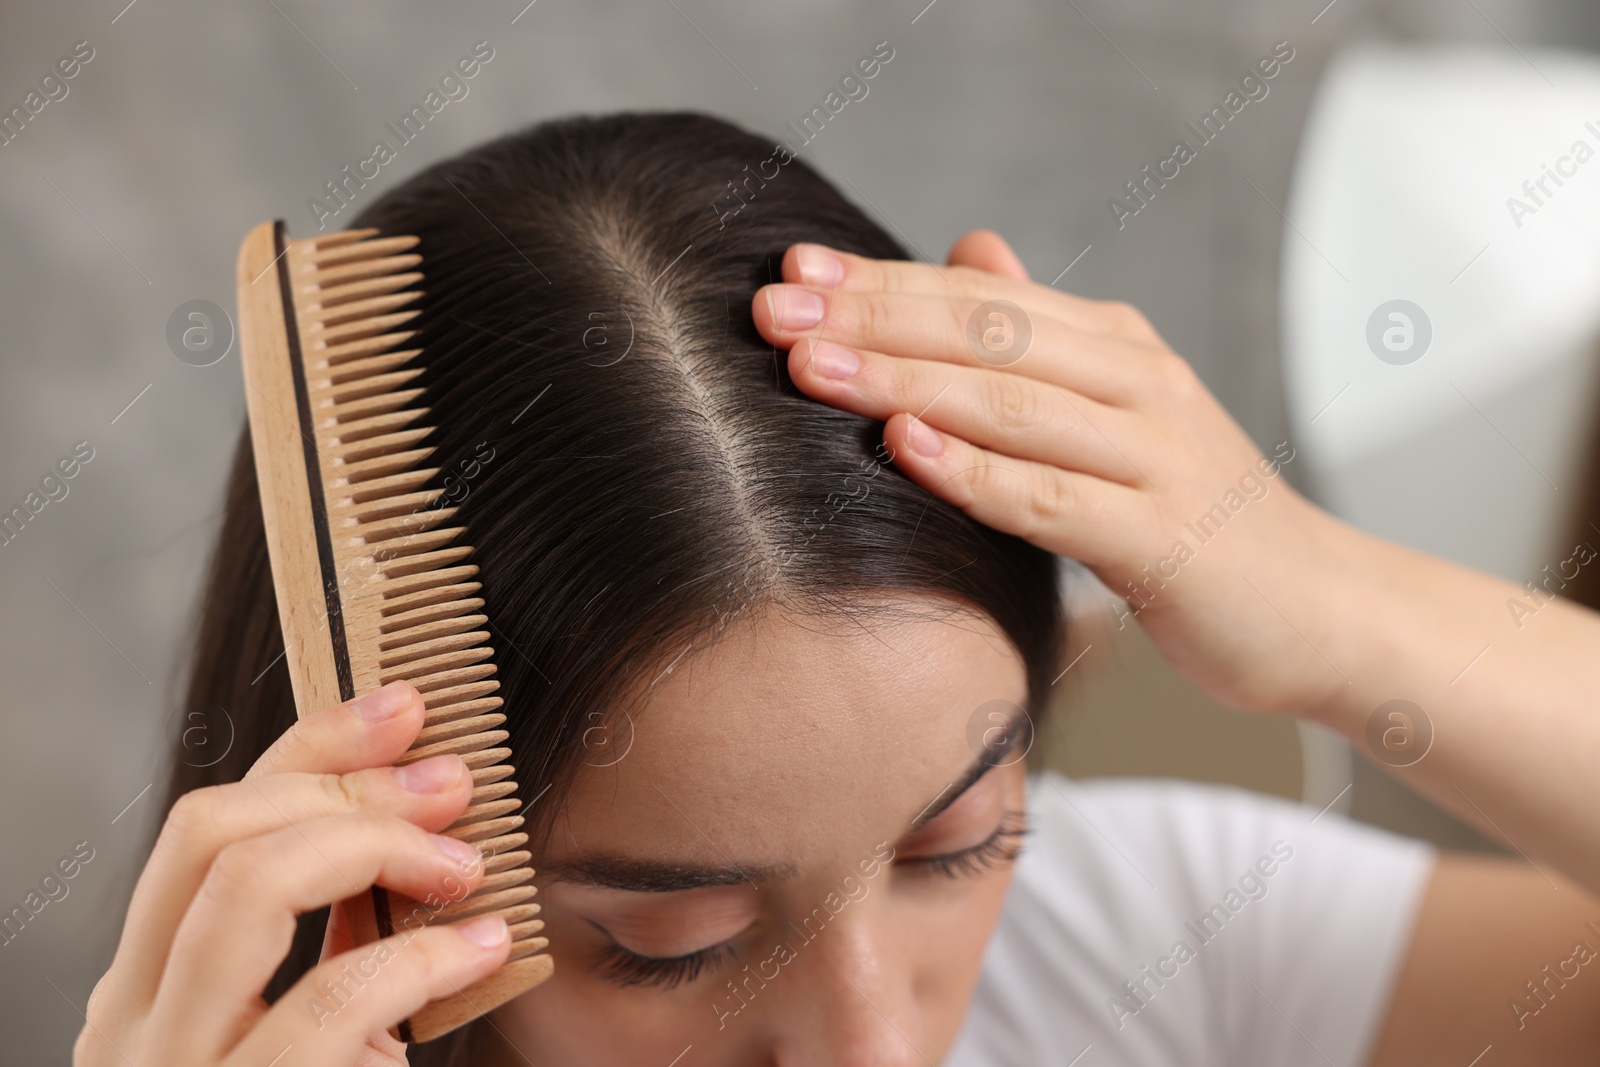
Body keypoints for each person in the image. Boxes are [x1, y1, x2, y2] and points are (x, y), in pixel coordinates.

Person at [77, 112, 1600, 1067]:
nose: (878, 1041)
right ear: (379, 894)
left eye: (955, 843)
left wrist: (1342, 605)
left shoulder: (1139, 935)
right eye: (670, 943)